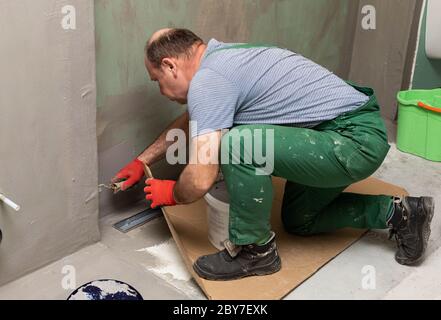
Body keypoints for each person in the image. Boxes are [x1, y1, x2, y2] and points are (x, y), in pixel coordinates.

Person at [112, 28, 435, 281]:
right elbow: (195, 119)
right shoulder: (222, 59)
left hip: (351, 142)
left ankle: (255, 251)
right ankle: (401, 214)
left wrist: (173, 192)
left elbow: (201, 177)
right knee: (299, 221)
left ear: (170, 65)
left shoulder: (209, 81)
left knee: (238, 145)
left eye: (157, 81)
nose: (161, 91)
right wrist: (143, 161)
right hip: (343, 133)